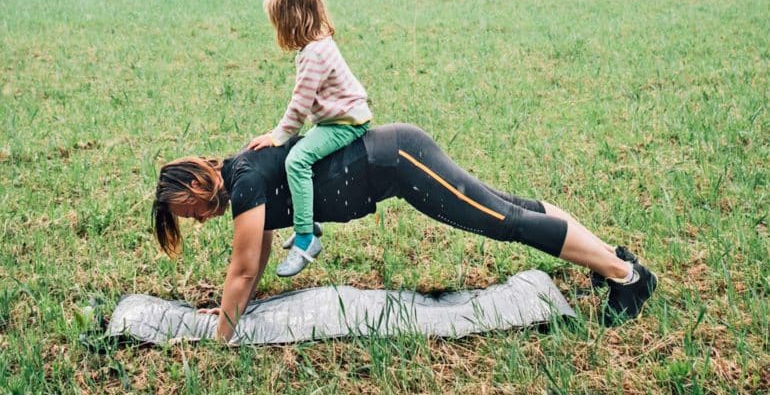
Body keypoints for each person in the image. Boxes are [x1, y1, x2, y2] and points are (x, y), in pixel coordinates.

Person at [152, 123, 657, 342]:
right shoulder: (243, 176)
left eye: (188, 208)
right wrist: (229, 310)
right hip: (395, 158)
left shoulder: (242, 181)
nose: (195, 219)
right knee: (510, 207)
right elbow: (255, 256)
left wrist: (221, 337)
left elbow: (240, 270)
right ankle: (609, 258)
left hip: (398, 160)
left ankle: (627, 275)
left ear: (198, 181)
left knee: (505, 221)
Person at [246, 0, 372, 278]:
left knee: (297, 160)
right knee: (301, 155)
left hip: (345, 123)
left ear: (291, 20)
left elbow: (300, 105)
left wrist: (277, 136)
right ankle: (309, 219)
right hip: (338, 117)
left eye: (278, 22)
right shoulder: (317, 45)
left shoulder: (314, 54)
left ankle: (306, 239)